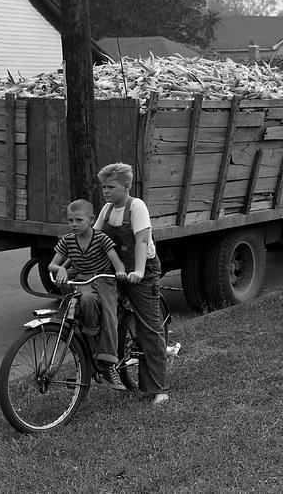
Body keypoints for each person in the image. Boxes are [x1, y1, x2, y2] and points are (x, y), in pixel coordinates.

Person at [95, 162, 170, 406]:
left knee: (149, 327)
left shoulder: (137, 207)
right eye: (103, 187)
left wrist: (137, 270)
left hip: (143, 270)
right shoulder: (106, 210)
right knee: (103, 314)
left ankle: (159, 388)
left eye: (111, 187)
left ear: (126, 186)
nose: (106, 191)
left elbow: (141, 241)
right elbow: (93, 237)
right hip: (116, 271)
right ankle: (108, 365)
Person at [48, 199, 127, 390]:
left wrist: (121, 272)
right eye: (70, 220)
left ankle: (108, 364)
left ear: (91, 220)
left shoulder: (101, 239)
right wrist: (61, 270)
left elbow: (118, 265)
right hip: (82, 279)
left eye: (78, 220)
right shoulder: (67, 240)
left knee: (109, 317)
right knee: (85, 302)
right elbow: (52, 264)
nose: (73, 224)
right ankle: (91, 343)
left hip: (103, 279)